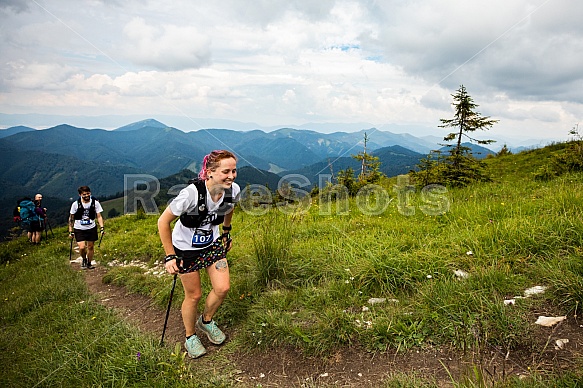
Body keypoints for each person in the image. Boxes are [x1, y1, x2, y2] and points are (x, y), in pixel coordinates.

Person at [158, 150, 240, 359]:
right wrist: (170, 256)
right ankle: (190, 336)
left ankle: (206, 321)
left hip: (212, 244)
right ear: (210, 172)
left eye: (234, 170)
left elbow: (229, 208)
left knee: (222, 288)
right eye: (226, 171)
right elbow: (163, 222)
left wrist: (226, 232)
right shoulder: (190, 194)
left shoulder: (233, 190)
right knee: (193, 295)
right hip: (185, 249)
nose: (231, 176)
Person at [68, 186, 105, 269]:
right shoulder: (75, 204)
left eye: (88, 193)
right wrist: (70, 231)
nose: (86, 196)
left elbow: (99, 216)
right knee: (81, 247)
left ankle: (89, 263)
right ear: (80, 195)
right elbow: (71, 218)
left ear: (90, 193)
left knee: (90, 246)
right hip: (79, 228)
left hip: (91, 227)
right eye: (84, 194)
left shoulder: (95, 203)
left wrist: (102, 228)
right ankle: (84, 259)